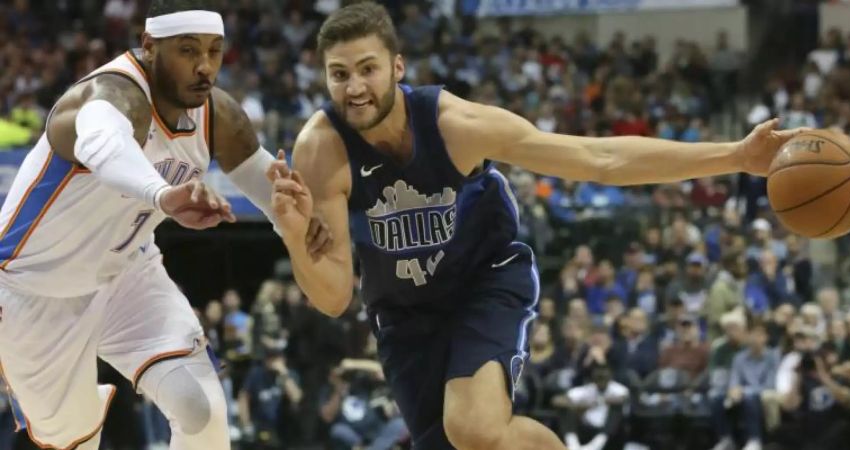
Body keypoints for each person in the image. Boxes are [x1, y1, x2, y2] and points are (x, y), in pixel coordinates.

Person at [268, 2, 807, 448]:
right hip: (404, 313)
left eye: (367, 68)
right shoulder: (322, 149)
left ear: (398, 68)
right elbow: (335, 296)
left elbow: (599, 159)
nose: (354, 87)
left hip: (484, 281)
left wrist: (735, 156)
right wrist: (296, 237)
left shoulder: (456, 125)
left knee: (474, 428)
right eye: (340, 74)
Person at [0, 1, 328, 449]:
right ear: (149, 46)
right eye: (188, 51)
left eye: (214, 51)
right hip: (35, 288)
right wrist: (162, 195)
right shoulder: (110, 95)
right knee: (73, 444)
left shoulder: (217, 116)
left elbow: (272, 195)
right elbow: (103, 143)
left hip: (127, 271)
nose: (204, 67)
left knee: (203, 409)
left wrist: (301, 220)